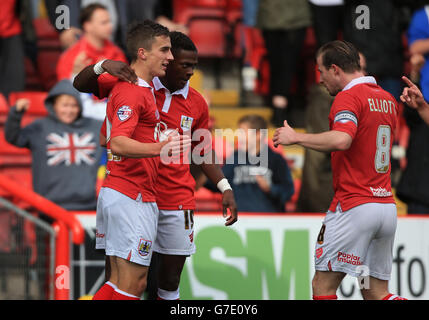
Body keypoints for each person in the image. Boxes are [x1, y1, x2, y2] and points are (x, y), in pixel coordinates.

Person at [273, 40, 406, 300]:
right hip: (385, 208)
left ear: (335, 69)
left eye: (321, 72)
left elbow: (342, 140)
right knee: (376, 292)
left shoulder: (349, 97)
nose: (320, 80)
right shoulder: (387, 98)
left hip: (354, 207)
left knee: (323, 287)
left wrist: (297, 138)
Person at [5, 79, 103, 211]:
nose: (69, 110)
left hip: (87, 205)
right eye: (64, 105)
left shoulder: (95, 127)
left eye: (74, 105)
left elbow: (119, 137)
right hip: (48, 208)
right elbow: (13, 137)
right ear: (54, 105)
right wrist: (15, 114)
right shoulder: (40, 127)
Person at [203, 115, 294, 212]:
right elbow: (220, 184)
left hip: (269, 222)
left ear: (259, 135)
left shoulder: (276, 160)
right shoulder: (235, 157)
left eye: (243, 133)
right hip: (239, 222)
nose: (239, 137)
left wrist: (270, 189)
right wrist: (201, 172)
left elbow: (288, 191)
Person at [256, 0, 312, 126]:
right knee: (285, 65)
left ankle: (278, 107)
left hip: (278, 14)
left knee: (281, 65)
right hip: (289, 15)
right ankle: (280, 108)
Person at [56, 3, 127, 81]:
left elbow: (125, 80)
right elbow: (65, 89)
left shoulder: (116, 52)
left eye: (109, 21)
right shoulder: (73, 56)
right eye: (104, 22)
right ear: (87, 26)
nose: (110, 26)